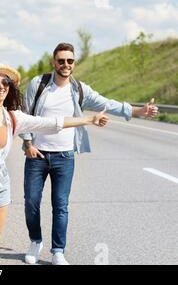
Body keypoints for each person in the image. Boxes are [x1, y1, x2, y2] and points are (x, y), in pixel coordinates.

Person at [0, 63, 109, 265]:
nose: (0, 86)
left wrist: (90, 119)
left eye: (5, 82)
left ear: (9, 87)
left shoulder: (13, 117)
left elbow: (51, 123)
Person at [20, 43, 159, 265]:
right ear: (53, 62)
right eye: (61, 60)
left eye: (70, 61)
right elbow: (25, 115)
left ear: (74, 63)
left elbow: (107, 103)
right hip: (37, 154)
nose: (66, 65)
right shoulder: (39, 84)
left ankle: (58, 251)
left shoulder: (79, 89)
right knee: (31, 202)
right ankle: (35, 241)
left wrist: (138, 110)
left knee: (61, 205)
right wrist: (27, 143)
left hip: (64, 156)